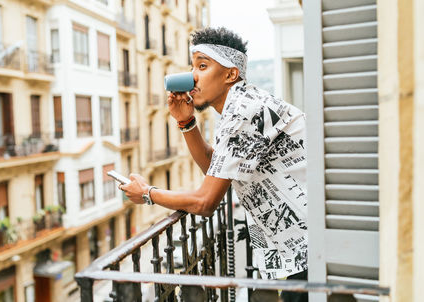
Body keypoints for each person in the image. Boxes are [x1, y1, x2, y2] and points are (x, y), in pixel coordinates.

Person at [120, 27, 308, 302]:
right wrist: (186, 122)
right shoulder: (244, 104)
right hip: (298, 251)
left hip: (307, 252)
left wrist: (148, 193)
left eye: (203, 66)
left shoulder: (243, 112)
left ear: (231, 74)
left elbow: (205, 202)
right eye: (192, 66)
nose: (192, 76)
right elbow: (215, 167)